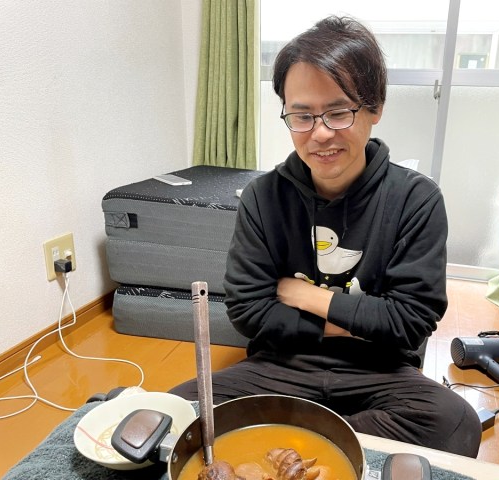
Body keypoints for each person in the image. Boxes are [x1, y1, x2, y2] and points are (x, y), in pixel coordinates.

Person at [170, 15, 482, 457]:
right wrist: (364, 322)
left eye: (338, 112)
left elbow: (410, 322)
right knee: (174, 414)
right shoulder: (264, 196)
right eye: (302, 115)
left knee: (456, 424)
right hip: (282, 363)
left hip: (379, 372)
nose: (319, 134)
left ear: (375, 108)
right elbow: (248, 310)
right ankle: (332, 445)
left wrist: (302, 295)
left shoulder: (416, 198)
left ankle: (292, 440)